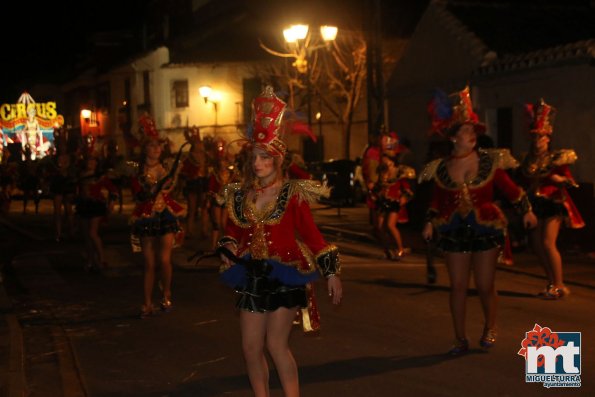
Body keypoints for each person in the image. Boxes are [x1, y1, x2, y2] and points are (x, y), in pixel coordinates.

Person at [217, 86, 342, 396]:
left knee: (275, 344)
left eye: (264, 157)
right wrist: (229, 245)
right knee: (249, 347)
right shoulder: (241, 194)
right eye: (254, 157)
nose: (258, 163)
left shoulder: (292, 194)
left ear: (278, 159)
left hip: (285, 274)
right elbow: (234, 231)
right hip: (250, 274)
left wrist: (331, 272)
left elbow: (313, 236)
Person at [420, 86, 537, 355]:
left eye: (473, 131)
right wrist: (429, 222)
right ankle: (460, 338)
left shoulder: (489, 162)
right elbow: (436, 201)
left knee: (484, 285)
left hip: (486, 228)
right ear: (453, 138)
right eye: (465, 131)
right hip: (453, 231)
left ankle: (490, 326)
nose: (471, 135)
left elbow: (510, 189)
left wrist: (527, 210)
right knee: (458, 286)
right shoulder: (441, 168)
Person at [517, 99, 584, 299]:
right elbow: (522, 182)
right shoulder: (527, 160)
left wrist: (559, 179)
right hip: (534, 204)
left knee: (548, 242)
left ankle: (560, 284)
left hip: (553, 202)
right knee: (537, 245)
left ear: (548, 139)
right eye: (536, 138)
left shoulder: (557, 158)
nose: (539, 142)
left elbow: (571, 181)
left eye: (542, 138)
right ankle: (551, 282)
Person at [130, 137, 186, 318]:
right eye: (152, 144)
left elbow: (170, 187)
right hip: (147, 217)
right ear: (145, 148)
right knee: (149, 263)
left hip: (166, 215)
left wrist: (169, 176)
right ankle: (147, 302)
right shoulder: (137, 171)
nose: (156, 148)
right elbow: (138, 195)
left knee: (164, 260)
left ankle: (166, 293)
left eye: (158, 145)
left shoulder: (167, 169)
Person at [75, 153, 119, 272]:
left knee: (92, 233)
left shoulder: (100, 176)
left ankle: (102, 258)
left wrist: (111, 203)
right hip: (83, 206)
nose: (91, 163)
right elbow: (78, 190)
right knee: (86, 236)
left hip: (96, 205)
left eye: (94, 161)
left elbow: (113, 190)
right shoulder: (81, 175)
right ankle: (90, 260)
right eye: (89, 161)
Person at [374, 152, 415, 260]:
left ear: (391, 160)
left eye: (386, 159)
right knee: (380, 227)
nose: (384, 161)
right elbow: (378, 186)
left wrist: (404, 197)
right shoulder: (382, 172)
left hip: (393, 202)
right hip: (383, 202)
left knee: (390, 225)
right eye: (383, 159)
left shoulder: (398, 173)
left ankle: (400, 248)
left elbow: (406, 188)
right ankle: (387, 250)